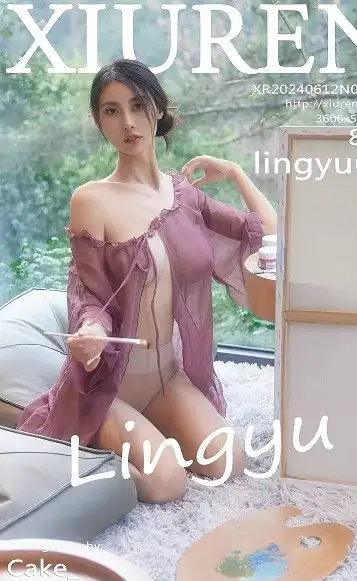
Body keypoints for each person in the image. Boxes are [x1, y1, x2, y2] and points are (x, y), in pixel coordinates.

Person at [17, 59, 277, 504]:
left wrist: (236, 173)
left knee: (226, 463)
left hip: (168, 376)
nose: (128, 122)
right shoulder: (91, 199)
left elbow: (268, 235)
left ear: (158, 108)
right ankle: (83, 452)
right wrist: (92, 329)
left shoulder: (185, 196)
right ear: (98, 121)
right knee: (165, 483)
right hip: (110, 383)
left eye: (138, 105)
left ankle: (143, 438)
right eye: (112, 110)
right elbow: (89, 293)